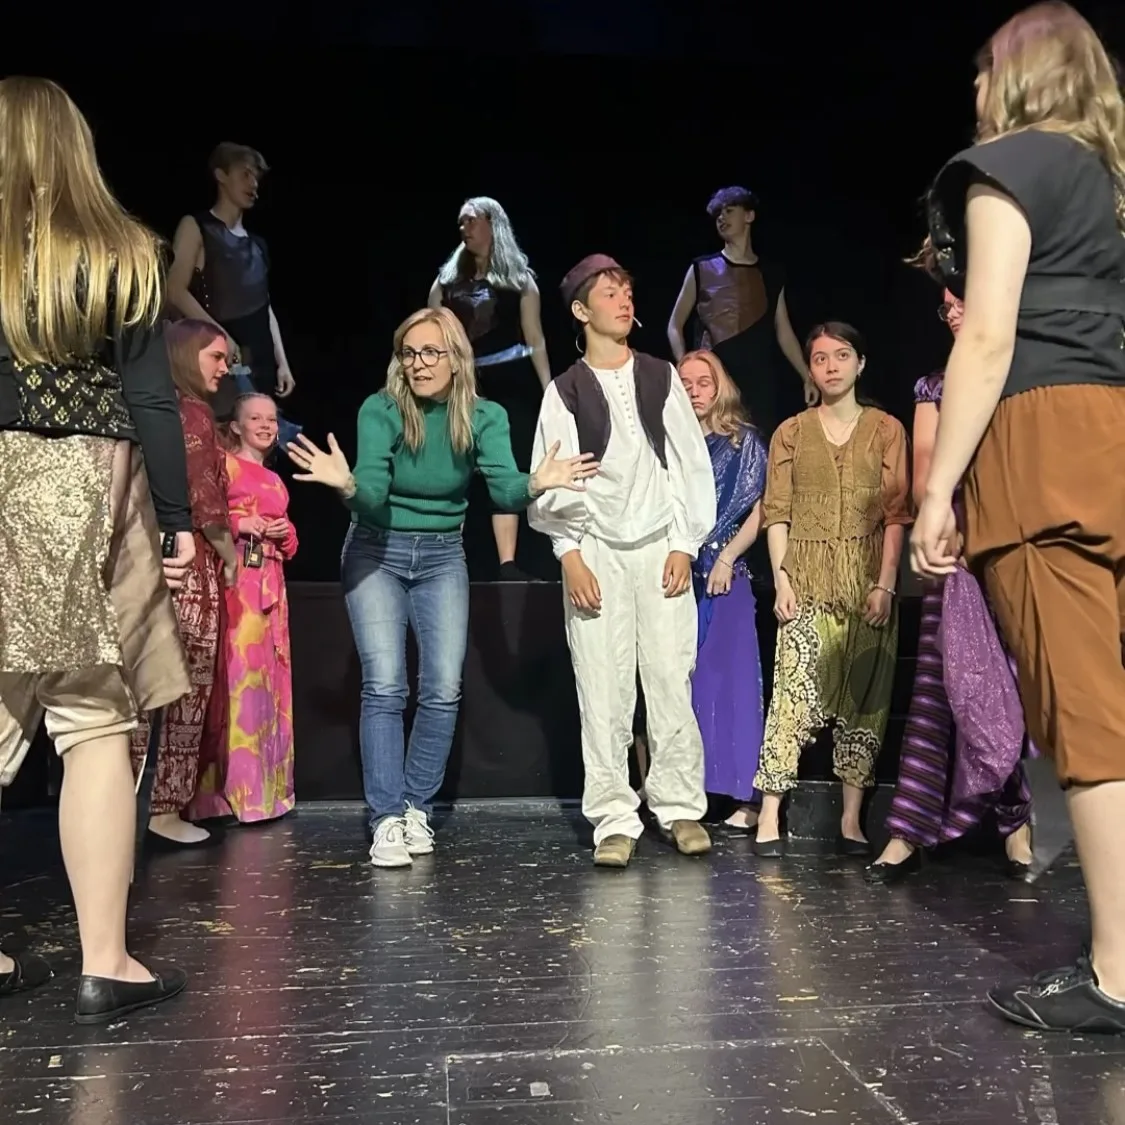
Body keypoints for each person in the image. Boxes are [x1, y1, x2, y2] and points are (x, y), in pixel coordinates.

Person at [912, 2, 1125, 1032]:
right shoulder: (1113, 184)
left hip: (1043, 441)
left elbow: (987, 337)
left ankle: (1120, 974)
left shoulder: (1005, 170)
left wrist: (940, 488)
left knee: (1085, 709)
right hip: (1118, 431)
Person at [0, 76, 190, 1021]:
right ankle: (103, 959)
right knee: (95, 723)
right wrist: (179, 515)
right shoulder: (122, 251)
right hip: (82, 487)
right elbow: (151, 396)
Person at [285, 307, 596, 867]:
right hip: (375, 549)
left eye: (431, 352)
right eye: (409, 353)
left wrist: (536, 483)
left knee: (443, 688)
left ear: (456, 358)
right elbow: (374, 493)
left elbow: (503, 492)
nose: (419, 363)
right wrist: (349, 485)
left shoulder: (484, 416)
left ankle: (415, 808)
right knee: (384, 686)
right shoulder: (380, 410)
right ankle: (385, 819)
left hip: (441, 555)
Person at [528, 254, 717, 868]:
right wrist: (570, 554)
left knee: (669, 678)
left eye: (628, 291)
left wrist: (686, 544)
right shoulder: (565, 391)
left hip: (661, 544)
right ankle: (613, 815)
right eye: (610, 294)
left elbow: (691, 464)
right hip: (598, 552)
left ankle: (680, 806)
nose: (625, 301)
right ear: (583, 311)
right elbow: (552, 480)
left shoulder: (660, 376)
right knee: (603, 690)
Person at [867, 291, 1033, 884]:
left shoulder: (1023, 379)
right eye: (944, 308)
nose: (954, 312)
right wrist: (946, 525)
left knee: (1006, 684)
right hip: (955, 547)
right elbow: (926, 468)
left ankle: (1016, 824)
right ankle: (907, 831)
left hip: (1014, 543)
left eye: (961, 299)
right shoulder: (934, 386)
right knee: (944, 685)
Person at [753, 323, 911, 858]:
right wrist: (782, 579)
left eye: (842, 355)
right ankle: (770, 814)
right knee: (791, 698)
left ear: (860, 363)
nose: (832, 366)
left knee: (866, 698)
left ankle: (850, 818)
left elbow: (896, 515)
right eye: (820, 358)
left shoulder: (887, 429)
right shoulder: (791, 433)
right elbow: (777, 512)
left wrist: (886, 585)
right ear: (811, 368)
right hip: (807, 580)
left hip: (867, 582)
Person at [131, 319, 237, 848]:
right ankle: (164, 808)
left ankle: (120, 804)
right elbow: (206, 503)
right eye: (216, 357)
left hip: (142, 559)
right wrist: (231, 557)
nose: (225, 368)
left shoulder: (148, 407)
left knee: (136, 691)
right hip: (187, 564)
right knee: (185, 689)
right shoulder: (191, 412)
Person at [429, 197, 552, 580]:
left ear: (492, 224)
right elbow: (428, 333)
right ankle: (446, 559)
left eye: (471, 221)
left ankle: (507, 564)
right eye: (461, 223)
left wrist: (550, 390)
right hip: (460, 384)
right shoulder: (447, 281)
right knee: (453, 468)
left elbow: (535, 339)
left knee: (504, 469)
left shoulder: (519, 281)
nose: (464, 229)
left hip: (509, 383)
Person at [191, 393, 298, 824]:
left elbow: (291, 545)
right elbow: (205, 515)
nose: (266, 425)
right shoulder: (223, 464)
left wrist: (282, 530)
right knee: (237, 681)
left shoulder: (274, 479)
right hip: (237, 584)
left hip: (271, 587)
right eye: (255, 417)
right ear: (235, 425)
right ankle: (227, 794)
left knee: (270, 684)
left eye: (271, 419)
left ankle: (267, 794)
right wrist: (243, 524)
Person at [678, 351, 768, 832]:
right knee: (685, 686)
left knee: (730, 684)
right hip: (678, 573)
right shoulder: (670, 444)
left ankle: (747, 800)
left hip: (726, 572)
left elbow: (762, 506)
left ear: (720, 387)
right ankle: (689, 793)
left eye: (702, 382)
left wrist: (728, 557)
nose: (694, 390)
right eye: (685, 382)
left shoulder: (743, 441)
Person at [667, 186, 812, 436]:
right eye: (718, 215)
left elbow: (783, 330)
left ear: (749, 216)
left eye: (729, 211)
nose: (721, 218)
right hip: (717, 380)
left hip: (759, 381)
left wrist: (806, 375)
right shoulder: (702, 268)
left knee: (758, 449)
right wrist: (686, 368)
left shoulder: (771, 273)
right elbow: (674, 325)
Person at [166, 142, 296, 414]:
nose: (254, 184)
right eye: (245, 174)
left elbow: (265, 307)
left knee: (261, 443)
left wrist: (282, 362)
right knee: (227, 438)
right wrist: (222, 338)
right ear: (221, 175)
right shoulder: (197, 227)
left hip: (260, 362)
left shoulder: (257, 244)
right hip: (222, 365)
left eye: (256, 177)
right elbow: (174, 290)